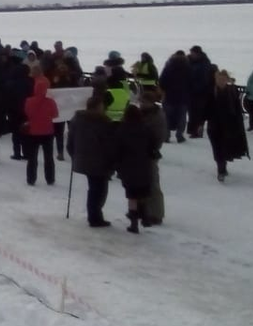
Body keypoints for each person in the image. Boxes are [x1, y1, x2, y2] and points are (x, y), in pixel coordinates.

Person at [68, 96, 115, 228]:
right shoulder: (104, 122)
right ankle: (95, 217)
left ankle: (94, 215)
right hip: (100, 160)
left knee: (94, 187)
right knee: (99, 189)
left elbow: (71, 140)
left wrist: (73, 154)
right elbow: (109, 143)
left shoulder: (77, 119)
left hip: (83, 158)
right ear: (98, 107)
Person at [114, 104, 158, 234]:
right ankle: (145, 216)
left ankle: (134, 224)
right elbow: (153, 145)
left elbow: (117, 149)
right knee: (143, 193)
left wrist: (116, 165)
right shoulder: (146, 129)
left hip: (128, 167)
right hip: (144, 165)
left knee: (132, 197)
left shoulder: (122, 129)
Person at [203, 69, 249, 182]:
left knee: (224, 147)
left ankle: (222, 168)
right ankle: (221, 169)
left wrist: (239, 122)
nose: (220, 81)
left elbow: (237, 108)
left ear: (227, 79)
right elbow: (205, 108)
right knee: (217, 147)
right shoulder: (211, 91)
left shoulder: (232, 91)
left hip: (229, 125)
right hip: (214, 125)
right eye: (218, 79)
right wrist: (200, 123)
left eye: (223, 79)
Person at [138, 92, 168, 226]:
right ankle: (144, 210)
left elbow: (159, 136)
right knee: (141, 183)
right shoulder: (143, 113)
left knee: (153, 184)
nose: (141, 104)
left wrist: (150, 147)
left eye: (144, 102)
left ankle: (157, 214)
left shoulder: (157, 116)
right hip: (140, 153)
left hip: (150, 153)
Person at [23, 81, 59, 186]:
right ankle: (50, 178)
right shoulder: (51, 102)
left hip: (33, 132)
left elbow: (27, 113)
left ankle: (31, 179)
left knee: (32, 158)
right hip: (48, 131)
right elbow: (55, 115)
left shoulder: (28, 101)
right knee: (48, 157)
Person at [159, 50, 190, 143]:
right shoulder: (188, 68)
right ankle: (179, 135)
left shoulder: (168, 68)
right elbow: (192, 83)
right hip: (183, 97)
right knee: (182, 117)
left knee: (167, 117)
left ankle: (166, 136)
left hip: (169, 96)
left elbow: (162, 81)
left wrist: (165, 89)